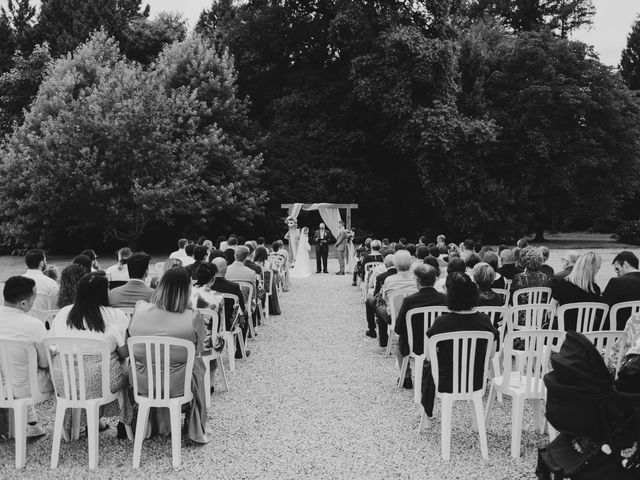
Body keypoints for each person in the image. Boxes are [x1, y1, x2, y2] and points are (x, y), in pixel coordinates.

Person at [128, 267, 209, 443]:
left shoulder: (140, 308)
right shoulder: (193, 317)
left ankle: (152, 421)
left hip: (142, 382)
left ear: (160, 286)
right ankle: (195, 422)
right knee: (198, 365)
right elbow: (200, 349)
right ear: (187, 290)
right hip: (177, 385)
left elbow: (129, 336)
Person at [51, 272, 132, 431]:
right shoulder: (115, 315)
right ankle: (126, 422)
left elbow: (53, 345)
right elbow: (124, 353)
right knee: (126, 365)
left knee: (86, 367)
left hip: (64, 381)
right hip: (99, 383)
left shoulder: (63, 313)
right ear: (104, 292)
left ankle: (87, 422)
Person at [422, 272, 499, 418]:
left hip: (445, 381)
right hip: (476, 381)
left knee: (427, 367)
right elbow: (491, 354)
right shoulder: (484, 320)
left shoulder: (441, 322)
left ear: (449, 298)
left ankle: (426, 412)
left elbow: (428, 356)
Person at [0, 276, 54, 437]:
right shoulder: (34, 325)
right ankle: (72, 427)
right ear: (23, 303)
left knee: (17, 369)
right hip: (28, 389)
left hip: (2, 387)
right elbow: (45, 363)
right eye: (33, 300)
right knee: (55, 367)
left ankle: (31, 422)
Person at [394, 265, 446, 388]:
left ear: (417, 280)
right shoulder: (445, 299)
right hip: (440, 343)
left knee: (398, 340)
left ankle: (406, 377)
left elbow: (399, 328)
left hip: (415, 344)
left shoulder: (409, 301)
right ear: (434, 279)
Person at [374, 251, 417, 346]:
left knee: (379, 307)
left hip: (395, 317)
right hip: (415, 316)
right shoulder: (416, 279)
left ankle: (383, 343)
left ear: (395, 265)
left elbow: (384, 299)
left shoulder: (389, 280)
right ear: (410, 264)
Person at [208, 257, 249, 357]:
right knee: (245, 314)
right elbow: (241, 308)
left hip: (210, 324)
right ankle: (240, 350)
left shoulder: (207, 287)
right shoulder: (234, 286)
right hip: (229, 324)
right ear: (226, 270)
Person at [551, 252, 601, 330]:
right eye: (598, 268)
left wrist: (560, 315)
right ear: (594, 270)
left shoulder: (563, 284)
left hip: (563, 332)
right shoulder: (595, 290)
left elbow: (550, 310)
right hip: (585, 335)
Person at [602, 251, 640, 330]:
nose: (616, 272)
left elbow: (603, 308)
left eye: (617, 268)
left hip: (619, 332)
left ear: (626, 264)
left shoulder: (616, 282)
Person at [23, 248, 59, 319]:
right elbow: (55, 310)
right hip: (45, 326)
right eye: (45, 260)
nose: (46, 262)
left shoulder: (17, 282)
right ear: (41, 263)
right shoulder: (51, 283)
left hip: (23, 323)